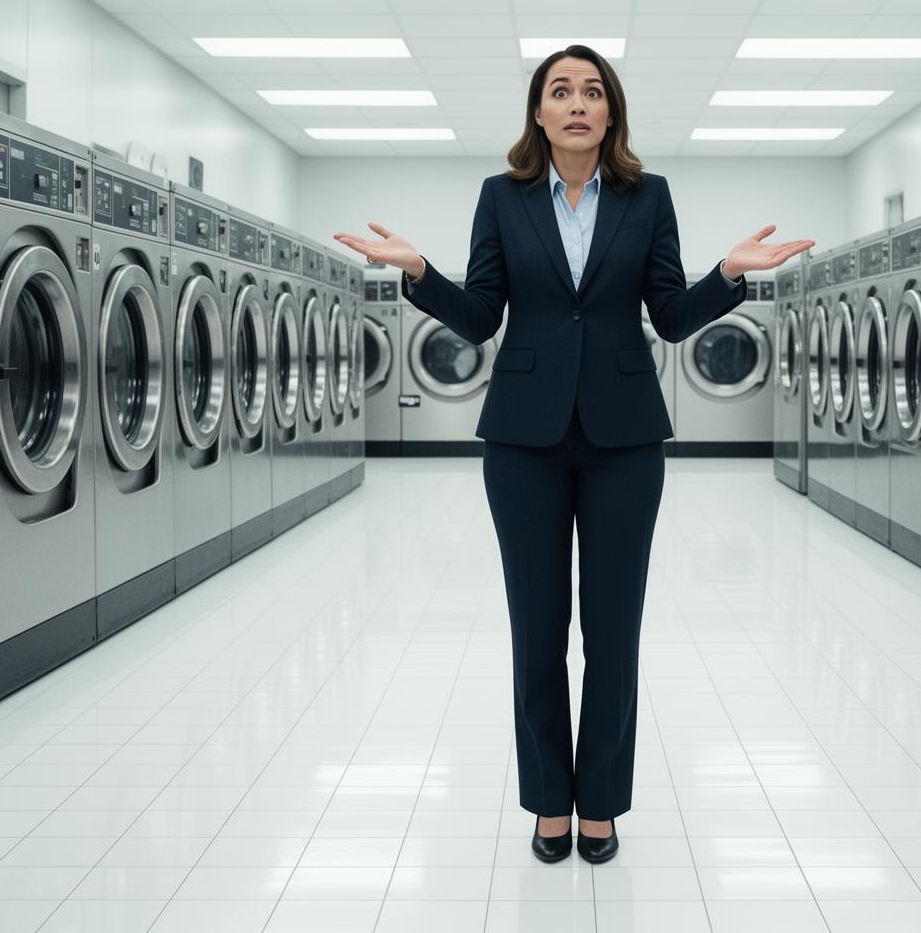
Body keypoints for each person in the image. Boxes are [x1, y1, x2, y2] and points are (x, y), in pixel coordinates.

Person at [334, 44, 812, 864]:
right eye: (561, 91)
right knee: (537, 630)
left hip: (626, 437)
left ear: (612, 112)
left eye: (593, 91)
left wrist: (728, 277)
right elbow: (483, 314)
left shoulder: (647, 196)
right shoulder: (503, 196)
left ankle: (602, 806)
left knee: (614, 631)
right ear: (539, 112)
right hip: (523, 438)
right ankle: (549, 804)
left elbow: (667, 313)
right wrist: (418, 274)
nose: (578, 103)